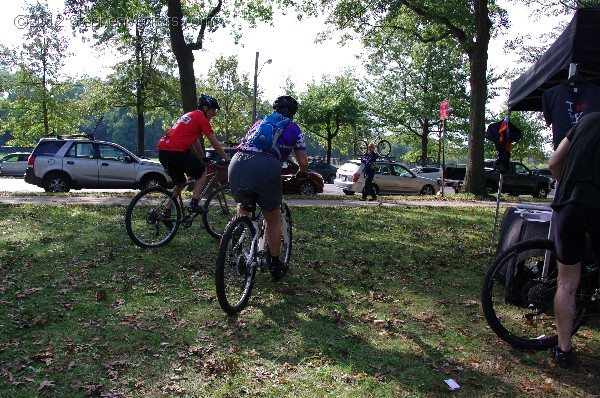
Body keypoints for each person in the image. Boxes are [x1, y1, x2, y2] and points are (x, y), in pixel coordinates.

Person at [228, 95, 308, 276]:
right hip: (267, 165)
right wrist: (302, 173)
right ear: (293, 113)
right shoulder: (294, 129)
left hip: (238, 162)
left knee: (243, 207)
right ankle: (274, 263)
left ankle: (237, 251)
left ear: (274, 109)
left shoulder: (259, 123)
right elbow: (303, 162)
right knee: (272, 219)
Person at [548, 111, 600, 368]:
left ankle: (563, 350)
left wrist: (567, 186)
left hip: (568, 204)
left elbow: (554, 162)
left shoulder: (586, 121)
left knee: (566, 283)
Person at [157, 94, 230, 214]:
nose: (214, 113)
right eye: (213, 110)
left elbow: (195, 140)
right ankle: (194, 203)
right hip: (176, 152)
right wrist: (227, 159)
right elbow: (215, 143)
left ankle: (166, 211)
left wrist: (203, 156)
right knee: (201, 172)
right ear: (205, 108)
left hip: (164, 153)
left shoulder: (189, 116)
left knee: (181, 183)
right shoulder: (201, 118)